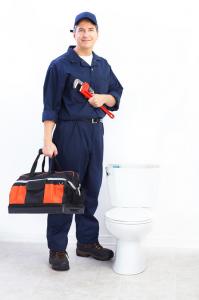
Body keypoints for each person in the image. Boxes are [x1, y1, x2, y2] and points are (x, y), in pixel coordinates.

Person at [42, 11, 123, 271]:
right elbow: (50, 106)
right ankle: (57, 248)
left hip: (95, 132)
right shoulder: (60, 65)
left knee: (91, 187)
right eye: (81, 29)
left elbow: (116, 93)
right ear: (73, 33)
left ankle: (87, 242)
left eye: (90, 29)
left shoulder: (102, 65)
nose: (86, 34)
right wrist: (48, 140)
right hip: (69, 133)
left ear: (97, 33)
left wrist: (103, 98)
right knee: (65, 190)